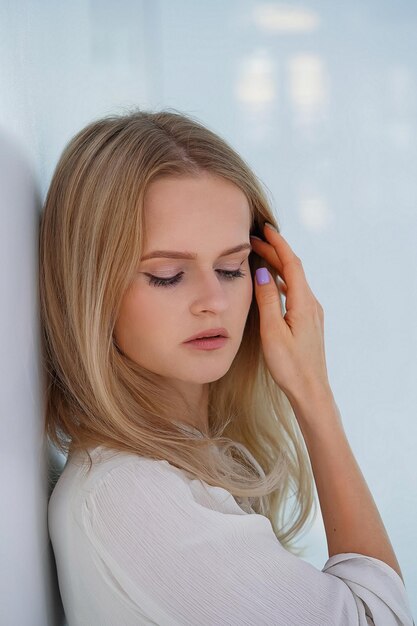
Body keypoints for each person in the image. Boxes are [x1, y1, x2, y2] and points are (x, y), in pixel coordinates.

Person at [40, 108, 414, 626]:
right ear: (90, 291)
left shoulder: (177, 468)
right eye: (168, 275)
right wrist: (314, 396)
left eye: (232, 267)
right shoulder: (130, 498)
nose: (213, 300)